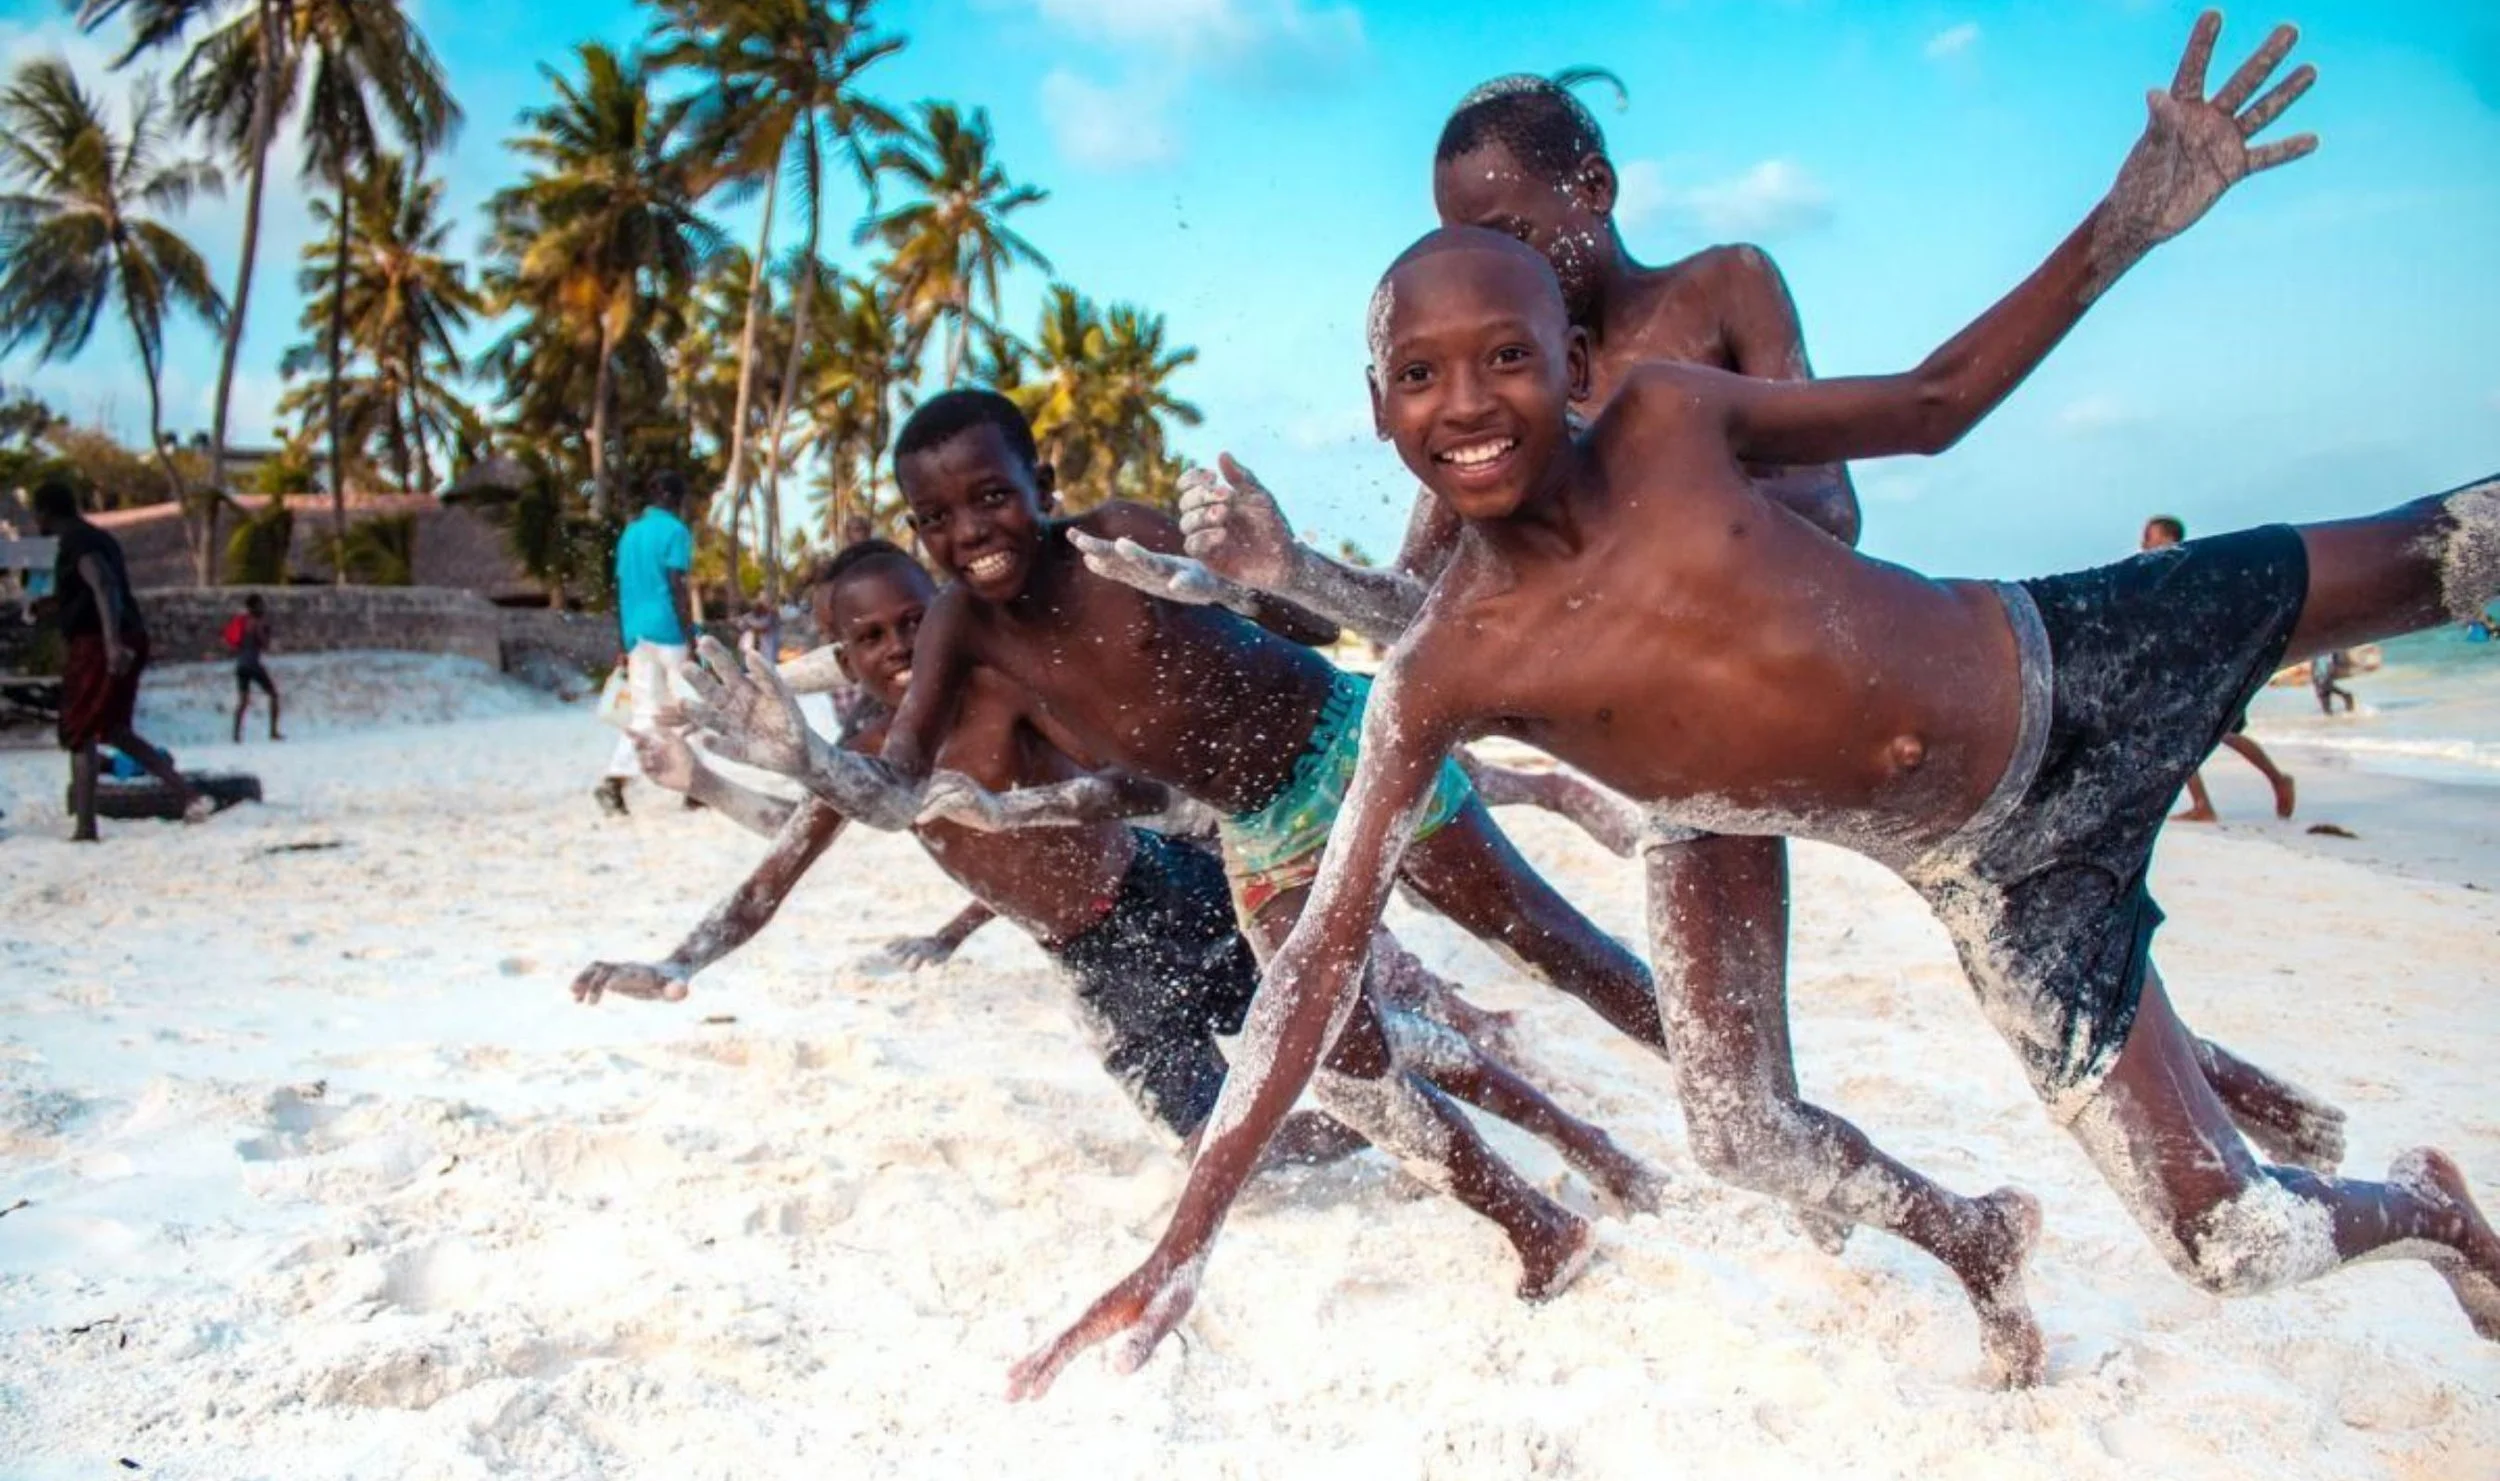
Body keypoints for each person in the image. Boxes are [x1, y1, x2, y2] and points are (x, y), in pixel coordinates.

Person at [1008, 16, 2500, 1397]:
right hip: (1983, 870)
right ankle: (2427, 1203)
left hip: (2071, 663)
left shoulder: (1673, 406)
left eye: (1507, 350)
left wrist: (2129, 217)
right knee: (2226, 1239)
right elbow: (1315, 959)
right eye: (1419, 374)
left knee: (2448, 550)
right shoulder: (1450, 651)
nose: (1466, 401)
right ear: (1380, 404)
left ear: (1568, 349)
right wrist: (1180, 1238)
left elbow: (1926, 406)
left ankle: (2228, 1072)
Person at [680, 391, 1684, 1301]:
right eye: (935, 518)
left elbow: (1292, 614)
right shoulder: (959, 628)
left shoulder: (1115, 534)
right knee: (1347, 1066)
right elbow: (897, 786)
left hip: (1345, 750)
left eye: (990, 496)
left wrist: (1247, 566)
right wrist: (808, 758)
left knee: (1548, 941)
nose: (968, 532)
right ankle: (1538, 1226)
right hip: (1256, 832)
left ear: (1043, 484)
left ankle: (1726, 1098)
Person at [577, 542, 1659, 1206]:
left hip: (1166, 892)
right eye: (869, 637)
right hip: (1098, 968)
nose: (900, 644)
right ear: (844, 657)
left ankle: (1524, 1099)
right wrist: (674, 955)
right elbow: (780, 857)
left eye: (916, 618)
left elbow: (1120, 787)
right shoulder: (862, 757)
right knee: (1245, 1148)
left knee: (1337, 1040)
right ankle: (1417, 1081)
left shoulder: (1003, 694)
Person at [30, 476, 201, 840]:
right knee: (116, 730)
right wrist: (54, 606)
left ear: (44, 513)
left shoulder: (77, 542)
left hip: (98, 641)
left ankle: (86, 827)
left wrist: (110, 643)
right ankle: (188, 795)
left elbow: (103, 585)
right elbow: (92, 590)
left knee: (79, 732)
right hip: (129, 634)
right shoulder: (99, 537)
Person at [2144, 514, 2297, 820]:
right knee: (2177, 738)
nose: (2143, 542)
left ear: (2168, 539)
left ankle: (2277, 780)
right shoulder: (2171, 571)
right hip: (2191, 668)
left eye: (2149, 536)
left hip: (2208, 668)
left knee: (2223, 733)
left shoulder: (2182, 568)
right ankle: (2204, 805)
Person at [597, 470, 697, 817]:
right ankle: (694, 786)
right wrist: (691, 635)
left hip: (636, 634)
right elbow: (675, 584)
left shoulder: (631, 533)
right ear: (674, 497)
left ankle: (615, 779)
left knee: (646, 710)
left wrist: (621, 642)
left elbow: (619, 591)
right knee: (688, 706)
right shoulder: (675, 530)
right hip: (668, 630)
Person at [228, 593, 281, 743]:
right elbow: (264, 644)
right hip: (253, 665)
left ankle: (236, 736)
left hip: (240, 665)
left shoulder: (241, 622)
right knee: (274, 695)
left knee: (243, 701)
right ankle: (273, 732)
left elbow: (233, 644)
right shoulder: (257, 623)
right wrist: (264, 632)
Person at [2310, 649, 2356, 714]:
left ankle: (2348, 707)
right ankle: (2349, 711)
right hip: (2323, 680)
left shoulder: (2322, 656)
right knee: (2327, 702)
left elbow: (2319, 669)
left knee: (2326, 703)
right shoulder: (2322, 656)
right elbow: (2319, 669)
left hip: (2323, 680)